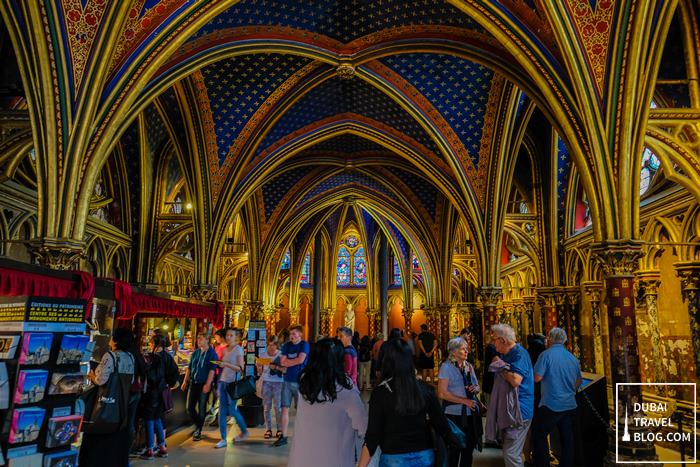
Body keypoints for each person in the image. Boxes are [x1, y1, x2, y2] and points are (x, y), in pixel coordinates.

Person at [359, 338, 452, 467]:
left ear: (386, 361)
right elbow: (442, 426)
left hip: (393, 459)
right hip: (424, 456)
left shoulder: (380, 393)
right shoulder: (425, 389)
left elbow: (372, 437)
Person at [288, 338, 367, 467]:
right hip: (334, 459)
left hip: (302, 458)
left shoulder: (306, 383)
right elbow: (363, 427)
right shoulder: (346, 391)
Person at [80, 328, 135, 467]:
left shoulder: (110, 356)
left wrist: (92, 375)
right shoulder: (130, 357)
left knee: (95, 445)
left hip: (104, 409)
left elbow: (100, 381)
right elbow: (131, 380)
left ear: (116, 340)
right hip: (120, 408)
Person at [532, 328, 582, 467]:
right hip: (570, 404)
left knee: (539, 435)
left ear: (551, 339)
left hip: (550, 404)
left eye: (548, 337)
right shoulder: (572, 357)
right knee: (567, 439)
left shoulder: (545, 355)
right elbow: (578, 381)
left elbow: (537, 378)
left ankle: (542, 464)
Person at [491, 324, 534, 467]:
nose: (493, 342)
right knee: (510, 449)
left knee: (511, 452)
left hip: (519, 409)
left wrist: (499, 367)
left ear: (503, 340)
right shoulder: (508, 354)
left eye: (494, 339)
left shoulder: (519, 354)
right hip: (510, 409)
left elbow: (515, 380)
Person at [438, 337, 481, 467]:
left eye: (467, 348)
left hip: (470, 415)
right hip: (453, 415)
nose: (467, 351)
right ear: (454, 352)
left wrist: (476, 388)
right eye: (463, 349)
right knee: (454, 451)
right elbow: (442, 393)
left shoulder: (469, 366)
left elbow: (477, 386)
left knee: (468, 451)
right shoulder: (446, 367)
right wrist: (464, 401)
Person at [274, 324, 310, 447]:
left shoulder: (304, 345)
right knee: (284, 408)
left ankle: (303, 435)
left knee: (301, 410)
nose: (292, 336)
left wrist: (288, 363)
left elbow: (301, 360)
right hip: (287, 381)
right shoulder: (286, 346)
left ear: (300, 334)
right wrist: (291, 363)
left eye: (294, 334)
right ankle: (283, 436)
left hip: (300, 381)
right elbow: (283, 361)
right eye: (290, 334)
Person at [214, 327, 249, 448]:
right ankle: (223, 438)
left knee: (233, 410)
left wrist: (226, 364)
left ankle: (244, 431)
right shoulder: (225, 349)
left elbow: (240, 368)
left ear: (236, 337)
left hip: (232, 383)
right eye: (227, 335)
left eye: (231, 335)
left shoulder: (238, 349)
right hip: (223, 381)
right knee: (222, 412)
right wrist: (220, 364)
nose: (228, 337)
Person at [180, 332, 217, 441]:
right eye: (198, 338)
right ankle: (198, 424)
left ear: (207, 340)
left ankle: (198, 430)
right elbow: (189, 367)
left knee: (201, 408)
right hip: (193, 382)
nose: (198, 340)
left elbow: (212, 370)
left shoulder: (212, 353)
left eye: (201, 338)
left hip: (203, 383)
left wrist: (208, 384)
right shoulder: (196, 352)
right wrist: (185, 381)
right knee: (189, 408)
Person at [139, 334, 170, 460]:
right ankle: (162, 447)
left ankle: (150, 449)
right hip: (162, 393)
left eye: (151, 342)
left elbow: (151, 377)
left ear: (155, 343)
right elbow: (173, 374)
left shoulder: (154, 358)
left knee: (149, 420)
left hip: (152, 393)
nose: (150, 344)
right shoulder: (168, 357)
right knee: (157, 419)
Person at [257, 336, 284, 439]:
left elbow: (285, 370)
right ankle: (268, 429)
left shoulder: (281, 355)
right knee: (267, 407)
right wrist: (258, 366)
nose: (271, 347)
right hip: (266, 382)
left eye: (273, 344)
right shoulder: (263, 355)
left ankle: (279, 429)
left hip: (278, 382)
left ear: (277, 345)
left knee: (278, 407)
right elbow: (260, 372)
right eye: (269, 344)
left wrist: (276, 367)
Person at [125, 331, 147, 456]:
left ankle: (124, 449)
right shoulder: (136, 353)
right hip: (136, 391)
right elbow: (144, 369)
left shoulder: (124, 354)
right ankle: (130, 448)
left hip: (127, 391)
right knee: (131, 421)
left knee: (124, 421)